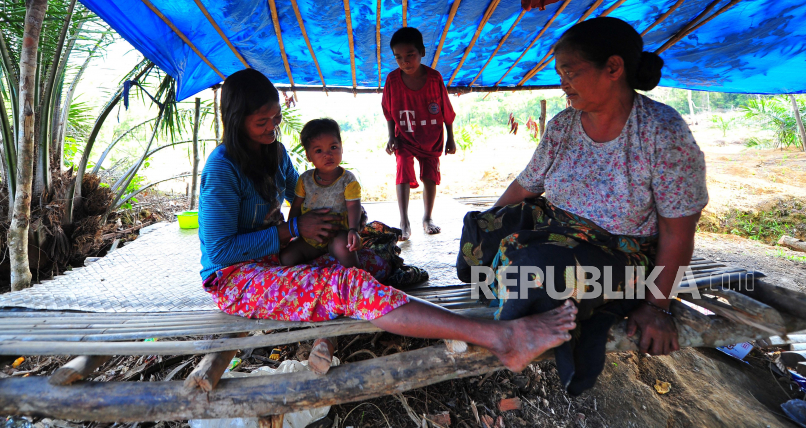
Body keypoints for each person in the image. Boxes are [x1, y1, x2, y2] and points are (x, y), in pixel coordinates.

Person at [199, 68, 578, 373]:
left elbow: (300, 195)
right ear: (236, 120)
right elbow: (219, 250)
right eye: (262, 122)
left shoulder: (274, 152)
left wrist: (334, 216)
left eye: (276, 118)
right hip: (235, 276)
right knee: (349, 282)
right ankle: (500, 337)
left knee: (369, 245)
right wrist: (293, 230)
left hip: (277, 255)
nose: (273, 128)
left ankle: (375, 282)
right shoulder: (222, 170)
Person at [458, 17, 708, 395]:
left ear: (613, 68)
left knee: (538, 267)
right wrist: (491, 221)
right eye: (560, 73)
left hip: (617, 250)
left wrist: (658, 307)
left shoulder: (662, 131)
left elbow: (677, 232)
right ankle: (533, 293)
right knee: (480, 229)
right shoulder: (564, 125)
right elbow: (526, 184)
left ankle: (516, 331)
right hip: (556, 227)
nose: (563, 83)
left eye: (570, 72)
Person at [382, 27, 456, 240]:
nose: (405, 61)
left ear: (422, 52)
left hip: (431, 136)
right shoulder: (392, 80)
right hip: (404, 136)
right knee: (403, 168)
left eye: (410, 55)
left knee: (430, 176)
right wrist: (391, 136)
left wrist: (450, 137)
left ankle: (427, 217)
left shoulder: (434, 78)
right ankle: (404, 220)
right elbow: (388, 111)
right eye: (398, 57)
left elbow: (446, 109)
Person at [280, 118, 362, 268]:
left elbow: (353, 206)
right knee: (286, 257)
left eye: (333, 147)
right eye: (319, 150)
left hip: (337, 233)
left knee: (346, 251)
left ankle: (356, 283)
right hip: (310, 238)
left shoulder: (348, 179)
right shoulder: (305, 180)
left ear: (342, 148)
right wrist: (291, 231)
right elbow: (296, 206)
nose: (327, 154)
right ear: (309, 157)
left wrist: (353, 230)